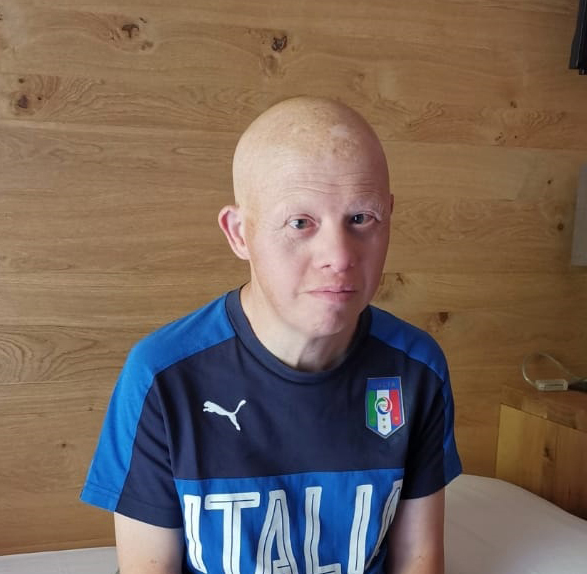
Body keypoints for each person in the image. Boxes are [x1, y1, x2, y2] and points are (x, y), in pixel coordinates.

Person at [81, 96, 462, 574]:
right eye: (300, 223)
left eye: (361, 218)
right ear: (239, 233)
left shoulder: (417, 369)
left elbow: (418, 560)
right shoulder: (162, 376)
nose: (339, 256)